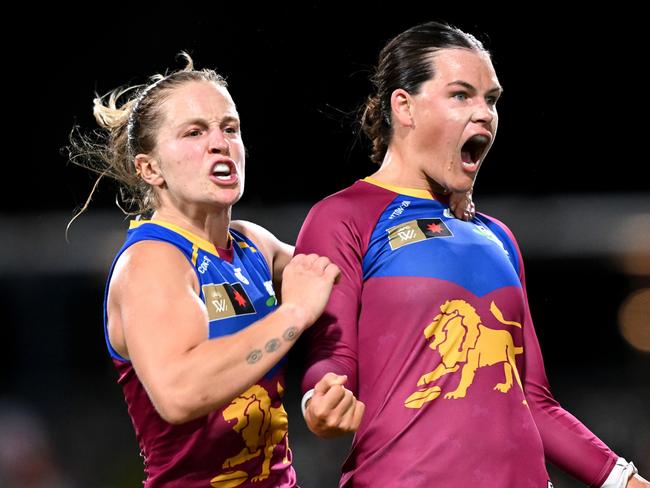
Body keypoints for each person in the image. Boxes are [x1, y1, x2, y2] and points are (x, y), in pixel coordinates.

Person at [295, 21, 649, 487]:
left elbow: (533, 401)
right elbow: (332, 354)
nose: (484, 113)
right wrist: (318, 398)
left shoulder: (497, 236)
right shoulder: (345, 217)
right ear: (404, 107)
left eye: (492, 99)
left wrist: (620, 478)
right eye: (461, 95)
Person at [68, 53, 345, 487]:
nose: (220, 143)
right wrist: (293, 314)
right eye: (194, 132)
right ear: (150, 168)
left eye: (229, 128)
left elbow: (350, 281)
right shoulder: (152, 262)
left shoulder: (254, 243)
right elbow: (180, 393)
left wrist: (321, 380)